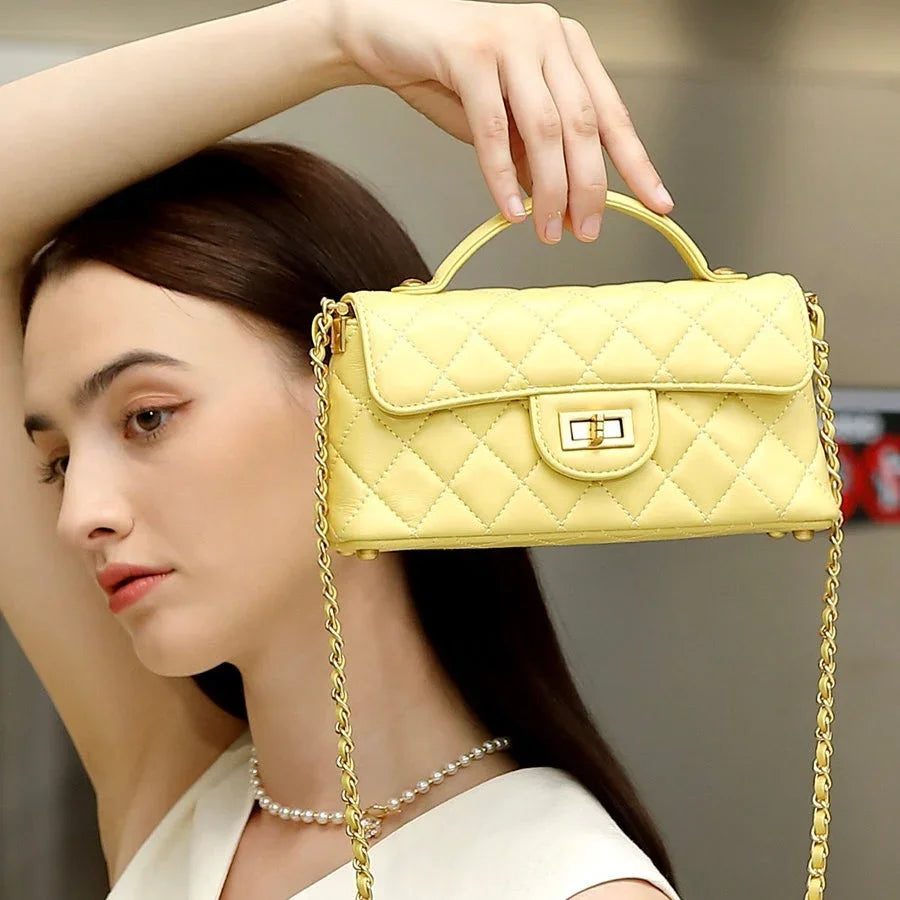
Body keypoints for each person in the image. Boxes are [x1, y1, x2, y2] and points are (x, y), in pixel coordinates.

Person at [0, 1, 680, 898]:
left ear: (357, 398)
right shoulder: (178, 801)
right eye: (55, 462)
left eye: (148, 417)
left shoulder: (558, 881)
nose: (80, 514)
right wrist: (336, 34)